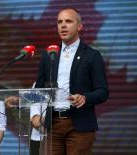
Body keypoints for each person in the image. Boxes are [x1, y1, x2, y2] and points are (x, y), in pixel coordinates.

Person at [32, 8, 109, 155]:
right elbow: (39, 88)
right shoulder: (49, 55)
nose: (63, 25)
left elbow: (103, 92)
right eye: (59, 22)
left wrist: (85, 98)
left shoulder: (92, 55)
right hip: (52, 125)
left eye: (68, 21)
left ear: (79, 26)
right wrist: (21, 100)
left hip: (79, 125)